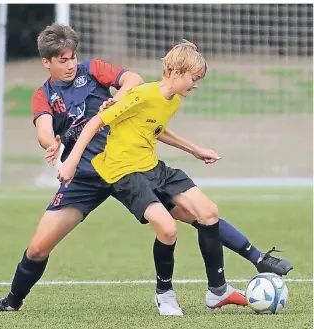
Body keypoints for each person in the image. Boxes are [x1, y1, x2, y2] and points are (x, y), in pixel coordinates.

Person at [0, 25, 292, 314]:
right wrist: (51, 143)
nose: (70, 65)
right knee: (39, 246)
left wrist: (119, 99)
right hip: (84, 174)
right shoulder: (44, 95)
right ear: (47, 62)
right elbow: (43, 129)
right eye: (62, 60)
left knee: (198, 214)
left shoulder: (93, 70)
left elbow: (133, 81)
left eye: (72, 58)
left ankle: (247, 265)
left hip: (129, 165)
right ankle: (12, 301)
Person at [55, 40, 273, 316]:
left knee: (208, 212)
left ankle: (218, 291)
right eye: (194, 79)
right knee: (168, 229)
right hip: (124, 172)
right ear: (175, 72)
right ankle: (165, 293)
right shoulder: (142, 94)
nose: (195, 85)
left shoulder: (173, 100)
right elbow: (96, 122)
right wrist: (72, 161)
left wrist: (195, 150)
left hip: (153, 167)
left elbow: (155, 129)